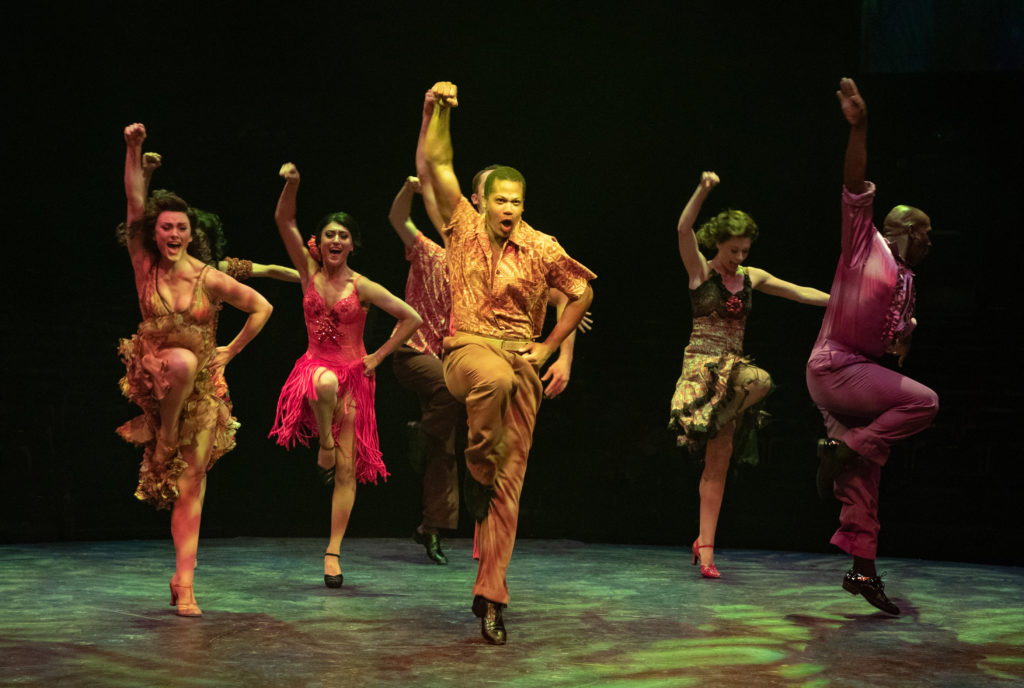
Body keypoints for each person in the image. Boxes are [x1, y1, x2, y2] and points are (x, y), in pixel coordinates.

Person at [421, 81, 595, 645]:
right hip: (468, 350)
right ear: (482, 201)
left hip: (522, 360)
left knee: (509, 486)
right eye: (501, 199)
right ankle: (473, 463)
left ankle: (491, 595)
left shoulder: (542, 246)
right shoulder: (462, 229)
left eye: (517, 201)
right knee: (490, 381)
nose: (509, 209)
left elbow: (582, 293)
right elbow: (436, 162)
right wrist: (437, 111)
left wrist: (551, 348)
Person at [116, 123, 273, 617]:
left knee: (192, 482)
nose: (174, 235)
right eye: (166, 227)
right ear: (154, 234)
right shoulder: (145, 265)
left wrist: (229, 351)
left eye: (181, 228)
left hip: (202, 388)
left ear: (191, 233)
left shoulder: (208, 278)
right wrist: (135, 150)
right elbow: (134, 204)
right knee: (180, 359)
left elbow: (262, 307)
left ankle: (184, 581)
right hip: (154, 374)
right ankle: (162, 437)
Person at [806, 78, 938, 615]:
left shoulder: (906, 277)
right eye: (924, 231)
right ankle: (847, 449)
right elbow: (855, 184)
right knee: (924, 402)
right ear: (901, 230)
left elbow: (898, 335)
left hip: (853, 376)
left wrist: (905, 338)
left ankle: (862, 573)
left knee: (864, 479)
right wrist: (858, 127)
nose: (930, 240)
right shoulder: (867, 245)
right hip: (836, 366)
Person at [268, 162, 422, 588]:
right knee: (325, 383)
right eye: (330, 234)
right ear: (320, 243)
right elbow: (284, 220)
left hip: (356, 377)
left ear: (353, 245)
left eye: (344, 235)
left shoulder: (363, 287)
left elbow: (410, 318)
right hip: (316, 371)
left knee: (348, 471)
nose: (336, 240)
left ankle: (332, 552)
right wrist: (294, 184)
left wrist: (377, 357)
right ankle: (322, 442)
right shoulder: (308, 273)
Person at [670, 171, 829, 579]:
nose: (739, 257)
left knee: (718, 465)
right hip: (704, 369)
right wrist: (703, 190)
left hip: (733, 380)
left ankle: (705, 548)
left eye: (745, 251)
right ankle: (704, 418)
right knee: (760, 381)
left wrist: (843, 303)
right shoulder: (701, 273)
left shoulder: (751, 278)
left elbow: (797, 291)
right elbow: (683, 227)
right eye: (733, 250)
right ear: (718, 243)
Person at [117, 150, 301, 284]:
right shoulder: (155, 265)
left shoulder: (213, 269)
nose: (179, 236)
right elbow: (139, 218)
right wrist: (146, 173)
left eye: (184, 230)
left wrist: (313, 277)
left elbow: (271, 270)